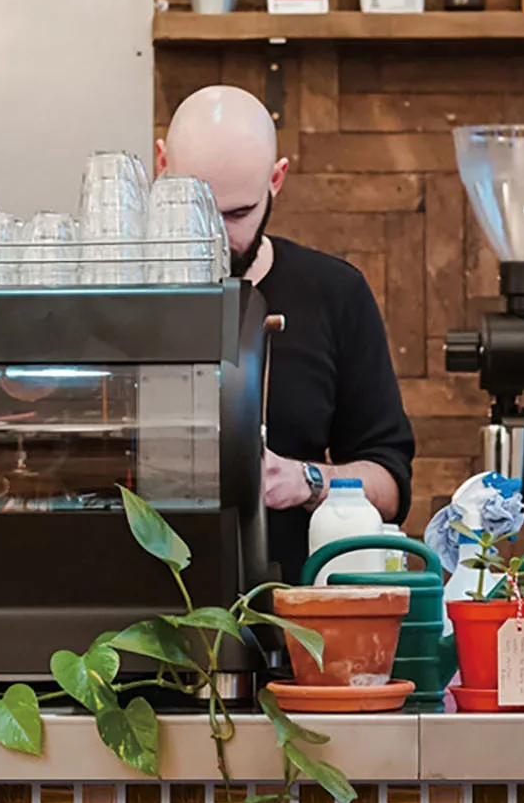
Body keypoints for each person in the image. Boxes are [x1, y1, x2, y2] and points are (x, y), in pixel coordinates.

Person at [157, 84, 415, 582]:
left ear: (276, 180)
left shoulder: (334, 293)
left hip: (290, 610)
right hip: (130, 609)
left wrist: (305, 480)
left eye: (237, 214)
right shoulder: (117, 290)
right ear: (161, 163)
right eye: (195, 207)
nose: (214, 236)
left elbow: (390, 485)